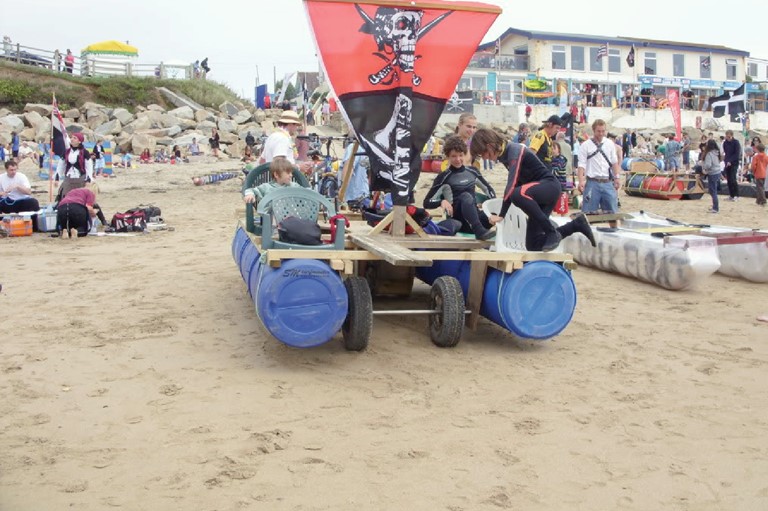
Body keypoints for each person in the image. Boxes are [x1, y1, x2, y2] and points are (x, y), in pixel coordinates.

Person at [470, 128, 596, 252]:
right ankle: (576, 225)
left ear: (490, 146)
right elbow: (517, 181)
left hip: (549, 186)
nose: (484, 158)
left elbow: (512, 184)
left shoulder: (514, 150)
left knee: (517, 194)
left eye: (483, 153)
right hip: (537, 195)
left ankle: (551, 232)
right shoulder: (504, 155)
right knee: (533, 244)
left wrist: (501, 215)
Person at [423, 136, 496, 240]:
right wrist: (441, 202)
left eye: (460, 155)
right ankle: (479, 231)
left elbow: (489, 190)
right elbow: (426, 203)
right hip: (460, 223)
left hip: (476, 219)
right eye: (453, 156)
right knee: (466, 196)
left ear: (464, 154)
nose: (458, 159)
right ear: (447, 157)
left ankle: (486, 231)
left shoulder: (472, 171)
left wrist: (492, 204)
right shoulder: (443, 177)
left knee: (498, 209)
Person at [576, 119, 621, 215]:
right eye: (598, 131)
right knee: (588, 213)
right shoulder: (585, 145)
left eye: (603, 131)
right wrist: (581, 181)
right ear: (593, 130)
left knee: (612, 213)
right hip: (592, 183)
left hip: (607, 182)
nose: (601, 134)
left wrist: (617, 177)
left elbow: (614, 162)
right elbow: (581, 165)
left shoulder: (609, 144)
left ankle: (613, 225)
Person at [0, 161, 40, 229]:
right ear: (6, 169)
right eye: (11, 170)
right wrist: (3, 193)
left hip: (21, 201)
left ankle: (34, 226)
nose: (14, 172)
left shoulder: (21, 176)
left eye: (15, 169)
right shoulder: (1, 178)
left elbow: (28, 192)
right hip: (8, 201)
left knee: (34, 202)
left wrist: (17, 186)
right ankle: (2, 225)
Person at [55, 132, 92, 200]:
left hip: (80, 180)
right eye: (71, 137)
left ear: (79, 141)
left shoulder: (85, 152)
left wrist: (88, 180)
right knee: (64, 197)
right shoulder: (66, 152)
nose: (72, 139)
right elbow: (61, 165)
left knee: (80, 198)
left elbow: (89, 167)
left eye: (74, 138)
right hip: (68, 179)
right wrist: (57, 178)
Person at [701, 139, 722, 213]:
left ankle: (715, 208)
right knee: (713, 190)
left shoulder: (709, 154)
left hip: (712, 173)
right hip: (717, 172)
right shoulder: (717, 152)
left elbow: (708, 165)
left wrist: (703, 167)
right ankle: (714, 206)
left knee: (713, 191)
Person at [722, 130, 741, 201]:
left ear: (732, 136)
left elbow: (737, 154)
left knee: (733, 179)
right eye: (727, 136)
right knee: (729, 180)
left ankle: (737, 195)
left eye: (729, 136)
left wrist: (731, 161)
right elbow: (726, 153)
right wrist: (726, 161)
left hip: (734, 163)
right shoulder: (725, 143)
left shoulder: (736, 142)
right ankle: (731, 195)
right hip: (727, 163)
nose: (728, 138)